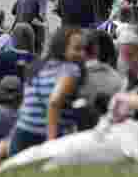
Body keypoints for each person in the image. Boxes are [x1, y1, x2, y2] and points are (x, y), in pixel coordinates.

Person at [7, 26, 86, 156]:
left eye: (84, 49)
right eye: (77, 49)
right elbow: (54, 102)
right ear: (61, 48)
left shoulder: (37, 67)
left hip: (21, 132)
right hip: (44, 134)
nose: (82, 54)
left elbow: (25, 105)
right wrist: (51, 144)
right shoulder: (70, 70)